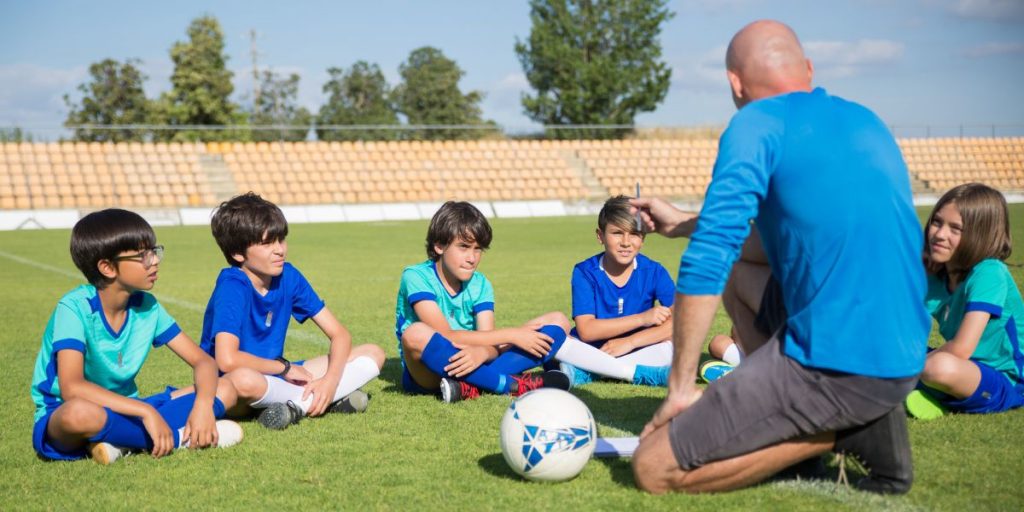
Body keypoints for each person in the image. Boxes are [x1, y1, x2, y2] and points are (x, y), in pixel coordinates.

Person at [629, 20, 930, 495]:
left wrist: (681, 387)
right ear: (808, 69)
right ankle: (804, 406)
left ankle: (841, 431)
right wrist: (685, 222)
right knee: (742, 272)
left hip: (840, 364)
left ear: (735, 82)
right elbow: (777, 239)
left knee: (652, 467)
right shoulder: (864, 120)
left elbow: (709, 258)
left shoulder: (755, 123)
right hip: (906, 352)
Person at [31, 209, 243, 465]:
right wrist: (146, 411)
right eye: (143, 255)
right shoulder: (74, 308)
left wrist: (203, 407)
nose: (154, 261)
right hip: (69, 413)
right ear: (107, 267)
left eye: (154, 251)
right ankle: (179, 439)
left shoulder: (148, 306)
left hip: (128, 409)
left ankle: (119, 443)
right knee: (78, 414)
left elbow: (204, 362)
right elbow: (72, 388)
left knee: (226, 386)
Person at [200, 193, 385, 430]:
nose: (279, 250)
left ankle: (305, 402)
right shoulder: (232, 285)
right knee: (244, 379)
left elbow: (340, 334)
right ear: (237, 253)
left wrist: (329, 381)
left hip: (276, 377)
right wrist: (286, 368)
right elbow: (227, 360)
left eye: (281, 239)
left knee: (373, 353)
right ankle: (315, 402)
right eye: (267, 243)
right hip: (234, 385)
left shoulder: (289, 276)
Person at [905, 183, 1024, 419]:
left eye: (955, 228)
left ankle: (917, 387)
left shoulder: (989, 273)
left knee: (938, 369)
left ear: (979, 236)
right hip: (959, 365)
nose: (939, 234)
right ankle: (932, 393)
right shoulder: (935, 274)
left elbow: (961, 348)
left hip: (1004, 378)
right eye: (937, 222)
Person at [560, 195, 678, 386]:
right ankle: (641, 373)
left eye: (634, 233)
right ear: (600, 236)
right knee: (557, 339)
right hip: (595, 348)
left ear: (643, 238)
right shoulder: (584, 271)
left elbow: (682, 321)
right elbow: (587, 330)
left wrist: (630, 342)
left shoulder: (654, 271)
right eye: (617, 233)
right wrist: (643, 318)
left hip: (640, 346)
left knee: (676, 342)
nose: (626, 242)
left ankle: (592, 372)